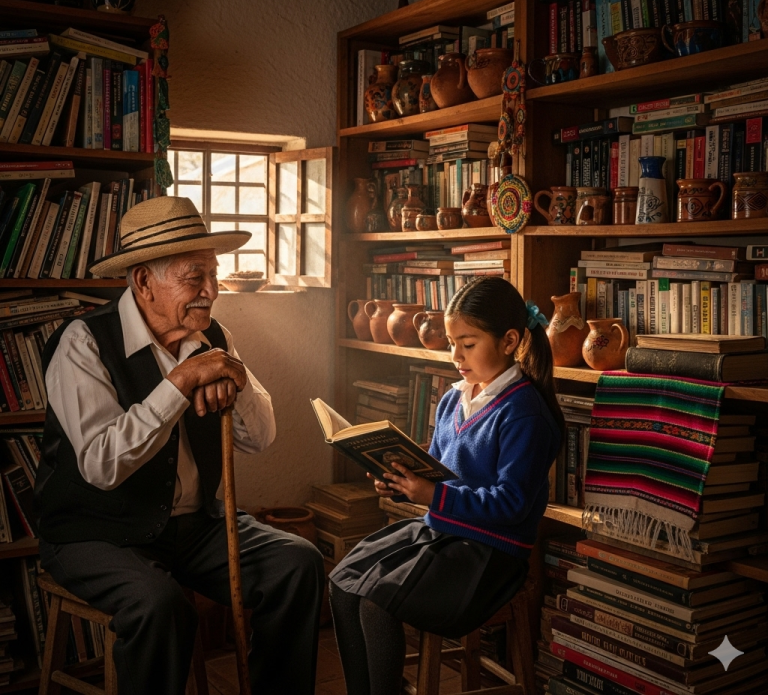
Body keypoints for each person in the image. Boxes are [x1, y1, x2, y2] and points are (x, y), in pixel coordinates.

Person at [35, 196, 324, 695]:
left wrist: (233, 374)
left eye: (213, 275)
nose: (212, 291)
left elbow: (259, 439)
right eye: (195, 277)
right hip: (95, 533)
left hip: (194, 528)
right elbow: (102, 465)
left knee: (297, 564)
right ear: (143, 281)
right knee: (159, 605)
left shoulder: (212, 339)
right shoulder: (82, 342)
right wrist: (181, 382)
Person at [329, 277, 564, 695]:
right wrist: (399, 480)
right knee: (342, 582)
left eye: (467, 344)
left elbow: (511, 503)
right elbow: (437, 472)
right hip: (442, 532)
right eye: (453, 343)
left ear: (509, 341)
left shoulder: (524, 413)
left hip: (490, 552)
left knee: (376, 602)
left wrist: (431, 495)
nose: (455, 355)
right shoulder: (454, 398)